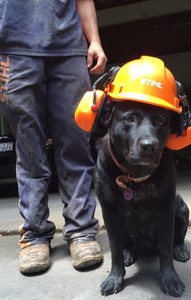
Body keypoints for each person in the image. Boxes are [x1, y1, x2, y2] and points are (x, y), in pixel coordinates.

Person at [0, 0, 107, 274]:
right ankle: (34, 236)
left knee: (75, 142)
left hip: (69, 49)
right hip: (12, 50)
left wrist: (93, 40)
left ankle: (82, 231)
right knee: (29, 147)